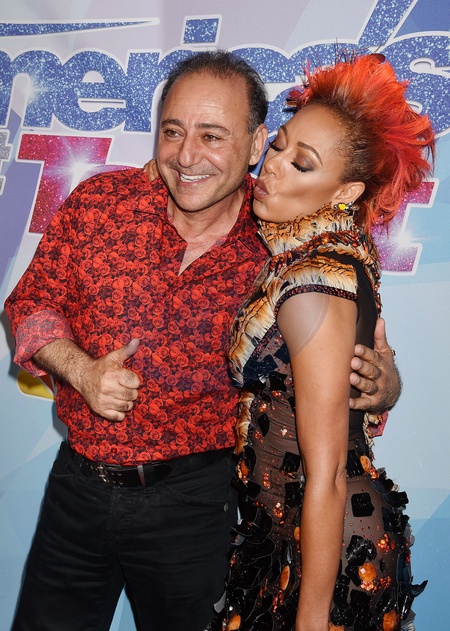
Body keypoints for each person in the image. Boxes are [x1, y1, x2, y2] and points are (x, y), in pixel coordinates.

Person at [5, 51, 399, 631]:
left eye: (212, 136)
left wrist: (383, 384)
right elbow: (29, 303)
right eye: (173, 132)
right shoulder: (101, 204)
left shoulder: (283, 245)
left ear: (256, 141)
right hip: (76, 490)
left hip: (196, 507)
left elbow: (348, 352)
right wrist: (81, 370)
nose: (187, 156)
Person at [207, 54, 434, 631]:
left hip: (327, 552)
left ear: (346, 192)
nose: (273, 167)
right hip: (289, 539)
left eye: (301, 163)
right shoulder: (320, 255)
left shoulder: (314, 281)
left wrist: (310, 621)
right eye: (278, 147)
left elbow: (327, 475)